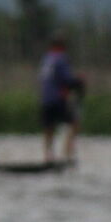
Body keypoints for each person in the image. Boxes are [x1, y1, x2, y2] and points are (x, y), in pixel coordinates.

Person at [37, 35, 84, 164]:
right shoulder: (61, 59)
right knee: (74, 123)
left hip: (44, 99)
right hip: (57, 99)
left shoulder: (46, 59)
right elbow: (67, 80)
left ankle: (48, 156)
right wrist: (79, 81)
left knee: (48, 128)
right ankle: (68, 153)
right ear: (62, 46)